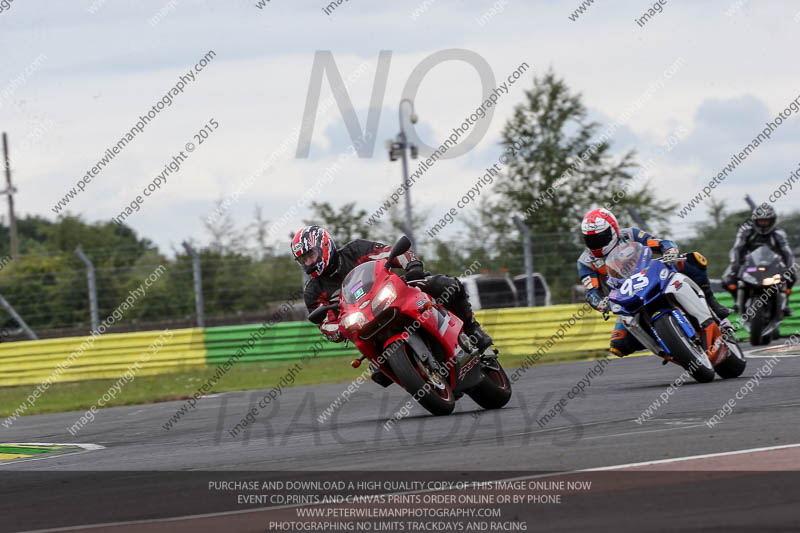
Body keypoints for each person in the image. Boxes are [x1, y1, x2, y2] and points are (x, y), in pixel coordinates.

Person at [292, 226, 493, 384]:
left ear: (324, 247)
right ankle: (418, 377)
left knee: (444, 285)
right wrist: (338, 330)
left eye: (311, 255)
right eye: (303, 259)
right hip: (365, 324)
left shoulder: (356, 250)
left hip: (393, 296)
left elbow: (392, 253)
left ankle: (473, 330)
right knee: (379, 374)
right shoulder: (313, 292)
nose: (308, 262)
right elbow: (325, 324)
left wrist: (412, 265)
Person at [578, 208, 731, 357]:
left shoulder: (631, 234)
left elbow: (659, 243)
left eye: (599, 237)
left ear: (613, 230)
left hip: (651, 274)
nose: (595, 243)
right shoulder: (585, 262)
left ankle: (714, 306)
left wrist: (669, 250)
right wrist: (601, 303)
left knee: (694, 260)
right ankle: (668, 347)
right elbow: (591, 291)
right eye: (590, 239)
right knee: (618, 345)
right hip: (625, 295)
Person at [723, 204, 795, 316]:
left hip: (772, 264)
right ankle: (738, 301)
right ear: (755, 221)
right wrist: (735, 265)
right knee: (727, 279)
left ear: (772, 221)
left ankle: (785, 304)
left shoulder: (778, 234)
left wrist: (788, 267)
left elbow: (787, 252)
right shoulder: (746, 232)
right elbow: (737, 249)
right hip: (748, 263)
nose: (764, 224)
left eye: (766, 221)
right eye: (761, 221)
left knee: (792, 277)